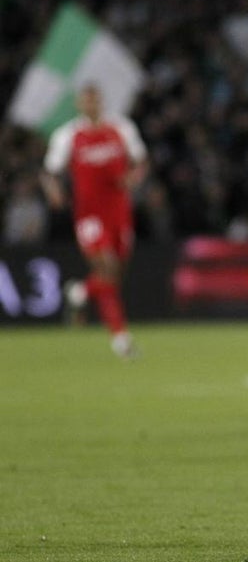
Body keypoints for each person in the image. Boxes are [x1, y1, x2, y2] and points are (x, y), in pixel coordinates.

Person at [41, 83, 147, 359]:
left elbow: (141, 162)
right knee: (107, 267)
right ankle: (121, 339)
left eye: (95, 100)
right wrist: (54, 192)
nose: (91, 105)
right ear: (79, 105)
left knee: (115, 275)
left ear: (101, 102)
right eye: (86, 101)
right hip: (89, 216)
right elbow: (50, 172)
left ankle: (80, 291)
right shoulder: (68, 135)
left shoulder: (121, 129)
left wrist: (133, 178)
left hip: (119, 212)